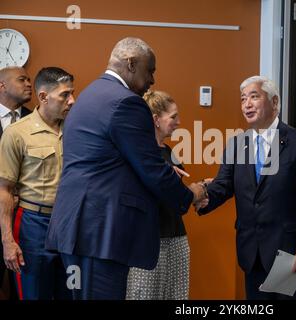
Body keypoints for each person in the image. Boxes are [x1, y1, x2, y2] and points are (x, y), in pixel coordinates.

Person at [45, 37, 206, 300]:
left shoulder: (88, 96)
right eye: (150, 70)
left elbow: (107, 162)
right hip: (100, 234)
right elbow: (152, 168)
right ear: (131, 63)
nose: (153, 80)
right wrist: (192, 194)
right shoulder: (126, 103)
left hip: (76, 230)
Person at [196, 75, 296, 300]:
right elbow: (223, 186)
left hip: (290, 254)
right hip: (252, 254)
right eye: (243, 98)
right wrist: (201, 196)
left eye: (254, 97)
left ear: (274, 102)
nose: (246, 103)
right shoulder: (237, 144)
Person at [0, 67, 75, 300]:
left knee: (70, 294)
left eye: (72, 93)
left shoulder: (78, 130)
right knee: (33, 295)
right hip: (33, 225)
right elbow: (4, 189)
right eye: (65, 95)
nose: (72, 100)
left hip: (70, 225)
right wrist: (7, 241)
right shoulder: (16, 133)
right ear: (43, 97)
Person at [127, 90, 191, 300]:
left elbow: (176, 194)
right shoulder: (138, 153)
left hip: (176, 237)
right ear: (155, 119)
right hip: (147, 239)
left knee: (178, 297)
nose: (178, 122)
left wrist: (199, 189)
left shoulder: (169, 151)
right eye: (173, 117)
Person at [0, 66, 32, 300]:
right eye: (22, 79)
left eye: (30, 79)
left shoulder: (37, 121)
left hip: (26, 220)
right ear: (2, 86)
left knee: (25, 289)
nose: (29, 83)